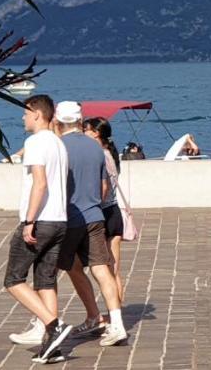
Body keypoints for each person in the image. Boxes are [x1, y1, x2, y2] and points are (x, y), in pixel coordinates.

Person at [3, 94, 74, 363]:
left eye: (25, 113)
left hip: (40, 220)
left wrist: (29, 221)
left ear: (36, 114)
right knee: (46, 280)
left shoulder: (35, 142)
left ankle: (52, 324)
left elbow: (40, 184)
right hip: (59, 220)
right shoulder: (58, 143)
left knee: (13, 280)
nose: (23, 118)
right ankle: (52, 345)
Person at [55, 101, 128, 348]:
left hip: (69, 217)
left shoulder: (58, 146)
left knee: (65, 268)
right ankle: (116, 324)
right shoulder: (96, 147)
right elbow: (104, 187)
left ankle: (85, 317)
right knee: (101, 269)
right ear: (79, 120)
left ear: (57, 121)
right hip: (95, 215)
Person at [84, 116, 126, 304]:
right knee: (114, 270)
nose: (83, 133)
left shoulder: (101, 155)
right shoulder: (111, 153)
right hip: (114, 211)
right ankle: (117, 312)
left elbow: (104, 187)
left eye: (86, 130)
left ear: (96, 133)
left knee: (108, 270)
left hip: (105, 212)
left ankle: (114, 313)